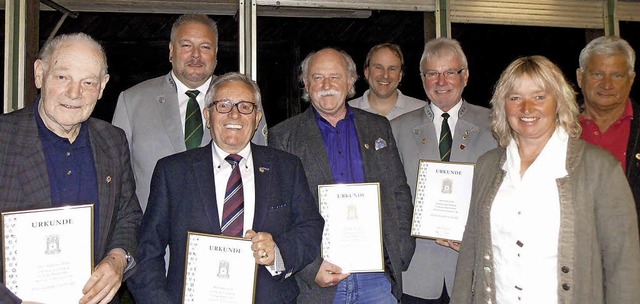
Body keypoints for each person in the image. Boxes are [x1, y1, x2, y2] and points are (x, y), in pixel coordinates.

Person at [451, 55, 640, 303]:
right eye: (515, 97)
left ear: (559, 102)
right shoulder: (487, 166)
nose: (526, 108)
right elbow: (470, 253)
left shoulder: (600, 168)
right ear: (502, 105)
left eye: (539, 97)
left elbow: (623, 264)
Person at [127, 72, 324, 304]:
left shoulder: (286, 167)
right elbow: (147, 250)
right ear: (207, 116)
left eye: (245, 107)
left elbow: (310, 227)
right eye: (223, 105)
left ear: (257, 117)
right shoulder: (172, 172)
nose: (234, 114)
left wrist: (278, 252)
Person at [0, 33, 142, 303]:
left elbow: (128, 215)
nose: (75, 93)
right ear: (40, 73)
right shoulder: (3, 139)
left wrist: (118, 259)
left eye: (88, 82)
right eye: (63, 77)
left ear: (102, 87)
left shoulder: (113, 140)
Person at [269, 48, 415, 303]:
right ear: (306, 83)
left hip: (376, 279)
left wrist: (400, 250)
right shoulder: (284, 136)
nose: (326, 85)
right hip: (319, 284)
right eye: (317, 78)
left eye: (335, 77)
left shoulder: (378, 127)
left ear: (350, 82)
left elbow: (398, 192)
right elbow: (278, 212)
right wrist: (310, 268)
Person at [112, 14, 268, 213]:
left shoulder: (246, 103)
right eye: (186, 45)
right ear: (171, 50)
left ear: (216, 53)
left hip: (222, 236)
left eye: (205, 47)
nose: (196, 55)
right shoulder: (132, 101)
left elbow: (260, 172)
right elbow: (119, 181)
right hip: (153, 237)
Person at [391, 38, 496, 304]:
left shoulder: (496, 126)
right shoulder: (397, 128)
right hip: (418, 272)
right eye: (432, 74)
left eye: (450, 72)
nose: (441, 81)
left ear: (466, 76)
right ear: (422, 78)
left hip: (475, 269)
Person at [576, 36, 639, 228]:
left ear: (631, 80)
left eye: (617, 75)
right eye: (597, 74)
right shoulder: (558, 129)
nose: (607, 84)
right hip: (575, 246)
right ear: (580, 77)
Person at [348, 43, 425, 120]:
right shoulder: (347, 112)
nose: (385, 75)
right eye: (378, 68)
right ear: (366, 72)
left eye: (392, 69)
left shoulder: (422, 111)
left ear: (400, 75)